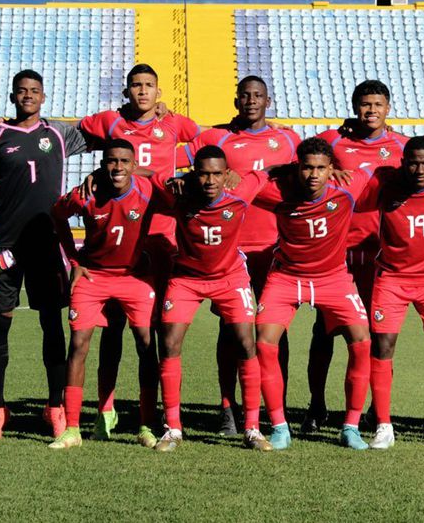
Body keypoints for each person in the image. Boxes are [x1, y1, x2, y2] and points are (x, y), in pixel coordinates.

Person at [77, 64, 203, 440]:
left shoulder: (176, 125)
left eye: (149, 85)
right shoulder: (110, 122)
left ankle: (158, 413)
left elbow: (214, 141)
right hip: (122, 240)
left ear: (158, 91)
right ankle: (106, 410)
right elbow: (69, 134)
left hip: (163, 239)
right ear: (127, 90)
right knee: (112, 328)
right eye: (136, 85)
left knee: (159, 332)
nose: (143, 91)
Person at [0, 69, 88, 440]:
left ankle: (54, 407)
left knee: (52, 325)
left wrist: (155, 111)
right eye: (22, 91)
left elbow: (109, 131)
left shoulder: (60, 134)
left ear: (44, 96)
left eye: (35, 91)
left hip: (48, 248)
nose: (28, 96)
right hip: (3, 251)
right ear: (13, 96)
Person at [179, 76, 300, 435]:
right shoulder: (215, 138)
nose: (251, 101)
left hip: (275, 247)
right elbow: (181, 161)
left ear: (268, 100)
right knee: (231, 330)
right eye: (245, 96)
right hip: (230, 250)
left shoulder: (288, 139)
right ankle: (228, 408)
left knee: (275, 330)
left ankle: (277, 407)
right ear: (236, 101)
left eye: (258, 96)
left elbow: (309, 170)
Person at [297, 80, 410, 433]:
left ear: (388, 107)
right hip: (340, 254)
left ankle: (377, 408)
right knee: (325, 332)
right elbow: (303, 160)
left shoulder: (402, 147)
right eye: (364, 104)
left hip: (380, 257)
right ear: (355, 107)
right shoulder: (336, 142)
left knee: (379, 335)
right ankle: (317, 404)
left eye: (377, 104)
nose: (371, 110)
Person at [251, 137, 373, 450]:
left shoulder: (348, 187)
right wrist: (275, 168)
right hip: (286, 277)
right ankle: (279, 426)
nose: (313, 175)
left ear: (331, 169)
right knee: (264, 344)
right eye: (307, 168)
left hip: (333, 278)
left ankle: (351, 427)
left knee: (362, 342)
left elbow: (381, 170)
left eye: (321, 168)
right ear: (297, 168)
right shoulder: (277, 193)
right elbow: (246, 181)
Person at [49, 139, 170, 449]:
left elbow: (166, 183)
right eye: (111, 161)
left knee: (146, 344)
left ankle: (146, 425)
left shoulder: (147, 191)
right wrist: (73, 260)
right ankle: (73, 428)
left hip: (135, 277)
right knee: (78, 344)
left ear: (132, 164)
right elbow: (57, 215)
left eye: (124, 162)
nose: (117, 167)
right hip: (93, 276)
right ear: (103, 164)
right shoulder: (87, 193)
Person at [155, 145, 272, 452]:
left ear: (226, 175)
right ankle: (173, 429)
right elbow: (145, 175)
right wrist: (172, 179)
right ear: (194, 174)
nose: (210, 181)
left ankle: (252, 429)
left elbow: (271, 171)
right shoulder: (180, 195)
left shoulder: (240, 192)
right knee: (169, 343)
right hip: (187, 279)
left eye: (217, 174)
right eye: (203, 173)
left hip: (231, 278)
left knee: (246, 343)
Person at [354, 136, 424, 449]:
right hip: (391, 278)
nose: (419, 169)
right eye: (413, 162)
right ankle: (384, 425)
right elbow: (356, 197)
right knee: (383, 345)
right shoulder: (385, 184)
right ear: (403, 162)